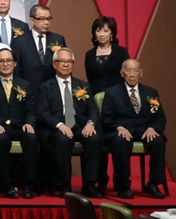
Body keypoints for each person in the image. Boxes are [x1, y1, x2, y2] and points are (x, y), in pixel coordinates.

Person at [34, 48, 102, 198]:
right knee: (63, 140)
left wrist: (90, 123)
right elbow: (43, 113)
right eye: (62, 61)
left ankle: (90, 185)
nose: (66, 64)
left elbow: (93, 110)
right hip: (56, 128)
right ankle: (65, 184)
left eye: (69, 61)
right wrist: (60, 125)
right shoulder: (45, 87)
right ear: (54, 64)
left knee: (94, 138)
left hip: (79, 126)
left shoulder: (83, 86)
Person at [101, 59, 167, 199]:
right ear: (122, 73)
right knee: (120, 141)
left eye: (135, 71)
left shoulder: (150, 92)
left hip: (144, 130)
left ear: (140, 73)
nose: (132, 74)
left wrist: (152, 128)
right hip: (122, 131)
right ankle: (123, 186)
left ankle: (153, 184)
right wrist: (118, 127)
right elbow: (106, 118)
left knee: (158, 141)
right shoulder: (112, 93)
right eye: (128, 70)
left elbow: (160, 117)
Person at [0, 48, 37, 199]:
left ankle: (29, 185)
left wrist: (29, 123)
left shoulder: (25, 85)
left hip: (19, 126)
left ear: (15, 63)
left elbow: (31, 109)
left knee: (31, 138)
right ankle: (8, 185)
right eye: (1, 61)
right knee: (1, 139)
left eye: (9, 60)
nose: (5, 64)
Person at [13, 4, 66, 87]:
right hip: (29, 90)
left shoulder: (58, 39)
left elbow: (65, 66)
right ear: (32, 20)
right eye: (42, 19)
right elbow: (17, 71)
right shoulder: (19, 42)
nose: (46, 22)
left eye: (48, 19)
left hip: (53, 89)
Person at [85, 16, 130, 95]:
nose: (102, 34)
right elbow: (90, 79)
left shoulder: (121, 52)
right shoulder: (89, 55)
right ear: (94, 33)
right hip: (96, 97)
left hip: (118, 96)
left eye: (106, 31)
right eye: (98, 31)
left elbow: (127, 75)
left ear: (111, 33)